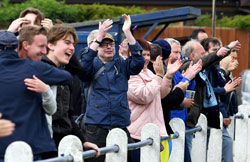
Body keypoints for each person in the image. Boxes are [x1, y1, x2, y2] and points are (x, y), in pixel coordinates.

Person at [79, 14, 145, 162]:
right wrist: (98, 37)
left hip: (119, 125)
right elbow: (82, 68)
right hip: (95, 128)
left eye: (111, 44)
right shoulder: (90, 63)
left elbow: (139, 62)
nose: (109, 47)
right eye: (104, 44)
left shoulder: (121, 64)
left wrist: (127, 32)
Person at [0, 30, 73, 161]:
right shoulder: (34, 68)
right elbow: (67, 77)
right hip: (32, 146)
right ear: (17, 47)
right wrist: (45, 86)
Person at [179, 39, 241, 162]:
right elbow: (207, 63)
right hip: (187, 119)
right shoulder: (187, 65)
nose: (205, 55)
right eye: (202, 53)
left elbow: (218, 83)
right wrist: (223, 51)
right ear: (193, 56)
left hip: (198, 117)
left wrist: (225, 70)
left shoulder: (206, 69)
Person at [18, 25, 57, 137]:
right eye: (41, 46)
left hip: (41, 140)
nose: (44, 51)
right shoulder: (7, 69)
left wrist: (45, 90)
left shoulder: (47, 71)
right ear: (25, 45)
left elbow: (51, 110)